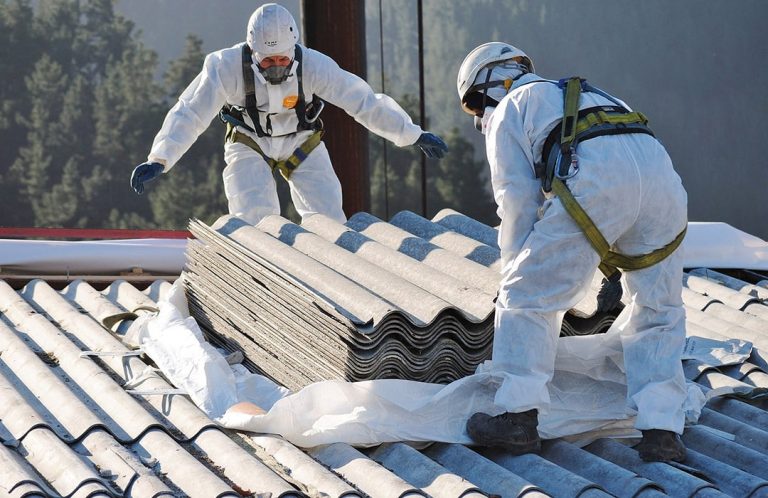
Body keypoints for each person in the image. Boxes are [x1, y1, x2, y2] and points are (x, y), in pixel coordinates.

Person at [456, 42, 689, 462]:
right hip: (667, 190)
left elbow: (516, 203)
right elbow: (627, 177)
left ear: (491, 84)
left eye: (475, 107)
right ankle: (663, 431)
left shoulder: (512, 105)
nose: (480, 119)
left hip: (604, 187)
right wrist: (613, 271)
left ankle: (517, 416)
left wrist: (514, 273)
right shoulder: (590, 95)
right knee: (659, 311)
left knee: (527, 296)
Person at [131, 3, 447, 225]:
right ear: (253, 52)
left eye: (282, 59)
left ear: (293, 48)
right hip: (249, 140)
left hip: (301, 141)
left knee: (329, 220)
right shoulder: (225, 68)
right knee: (255, 221)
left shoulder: (313, 65)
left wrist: (411, 133)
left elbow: (362, 100)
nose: (277, 67)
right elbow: (191, 111)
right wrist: (160, 158)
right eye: (267, 62)